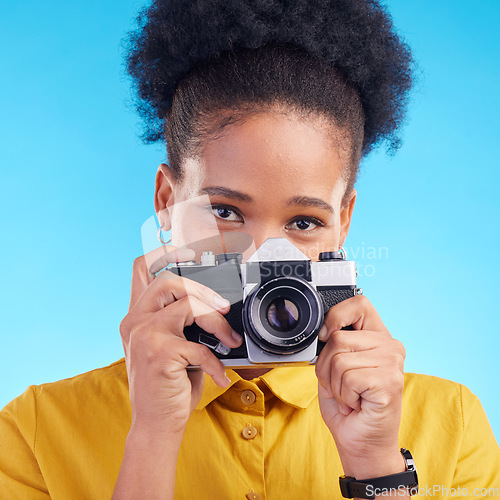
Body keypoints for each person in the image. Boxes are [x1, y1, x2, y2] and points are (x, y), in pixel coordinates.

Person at [1, 0, 499, 499]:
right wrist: (151, 437)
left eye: (304, 221)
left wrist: (378, 466)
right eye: (226, 212)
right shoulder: (36, 431)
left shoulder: (451, 423)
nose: (262, 257)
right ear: (167, 203)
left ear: (343, 223)